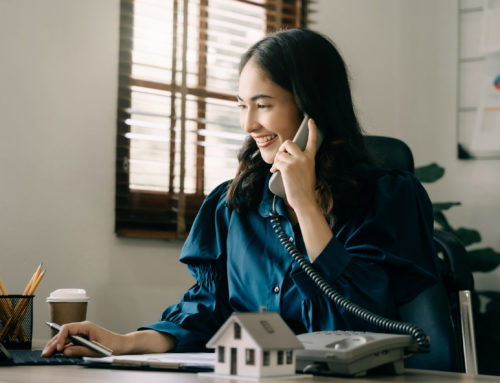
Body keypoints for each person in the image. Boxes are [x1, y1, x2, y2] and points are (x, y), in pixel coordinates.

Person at [42, 28, 440, 358]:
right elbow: (205, 314)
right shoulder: (235, 204)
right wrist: (122, 342)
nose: (248, 123)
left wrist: (303, 203)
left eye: (263, 105)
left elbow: (361, 316)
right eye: (241, 105)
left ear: (311, 109)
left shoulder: (389, 197)